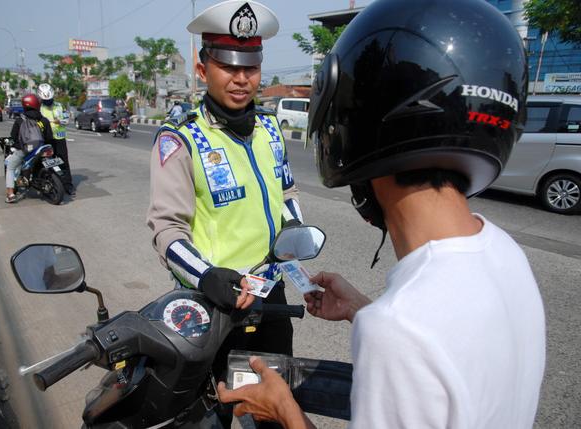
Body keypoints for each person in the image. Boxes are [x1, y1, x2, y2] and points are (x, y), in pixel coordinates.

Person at [217, 0, 547, 427]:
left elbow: (413, 340)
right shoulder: (504, 251)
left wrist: (284, 412)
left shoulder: (397, 330)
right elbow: (454, 357)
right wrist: (362, 309)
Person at [146, 1, 303, 427]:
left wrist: (294, 229)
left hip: (269, 298)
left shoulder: (270, 129)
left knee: (272, 413)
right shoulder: (180, 141)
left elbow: (284, 191)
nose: (241, 78)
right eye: (228, 65)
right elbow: (166, 228)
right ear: (203, 71)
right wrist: (207, 277)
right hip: (210, 304)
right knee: (207, 417)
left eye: (250, 66)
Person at [6, 94, 54, 203]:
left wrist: (19, 146)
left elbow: (14, 136)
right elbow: (49, 137)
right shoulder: (44, 120)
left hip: (27, 150)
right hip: (42, 149)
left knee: (10, 166)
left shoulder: (20, 119)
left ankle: (10, 194)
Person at [38, 83, 75, 196]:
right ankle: (49, 183)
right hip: (46, 139)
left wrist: (61, 121)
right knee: (46, 162)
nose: (48, 102)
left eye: (49, 99)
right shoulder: (39, 109)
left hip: (59, 137)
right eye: (45, 100)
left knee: (63, 161)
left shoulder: (59, 106)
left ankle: (67, 185)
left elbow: (67, 120)